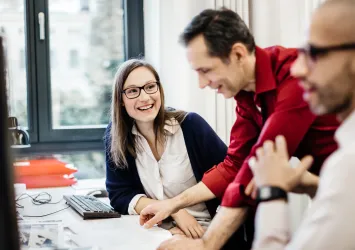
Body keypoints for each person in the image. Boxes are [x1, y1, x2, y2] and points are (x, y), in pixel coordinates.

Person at [140, 8, 340, 250]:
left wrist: (206, 244)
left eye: (206, 71)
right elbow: (235, 164)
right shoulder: (247, 96)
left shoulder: (293, 78)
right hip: (332, 190)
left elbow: (252, 169)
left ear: (237, 54)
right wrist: (173, 204)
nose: (202, 84)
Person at [249, 0, 355, 249]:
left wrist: (272, 192)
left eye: (314, 53)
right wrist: (315, 186)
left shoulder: (349, 165)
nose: (297, 69)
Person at [104, 59, 228, 238]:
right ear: (121, 100)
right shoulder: (116, 136)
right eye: (132, 91)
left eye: (150, 86)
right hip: (159, 230)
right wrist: (174, 210)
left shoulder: (191, 126)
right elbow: (119, 195)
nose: (144, 97)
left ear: (159, 89)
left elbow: (229, 179)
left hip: (206, 232)